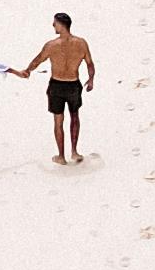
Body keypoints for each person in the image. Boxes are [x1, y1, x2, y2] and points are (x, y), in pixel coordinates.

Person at [15, 12, 99, 164]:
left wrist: (28, 70)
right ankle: (74, 151)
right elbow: (90, 63)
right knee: (74, 116)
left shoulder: (51, 45)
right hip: (74, 84)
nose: (53, 25)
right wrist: (91, 79)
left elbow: (38, 60)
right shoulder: (81, 43)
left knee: (58, 121)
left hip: (57, 85)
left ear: (62, 25)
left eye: (55, 23)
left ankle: (61, 156)